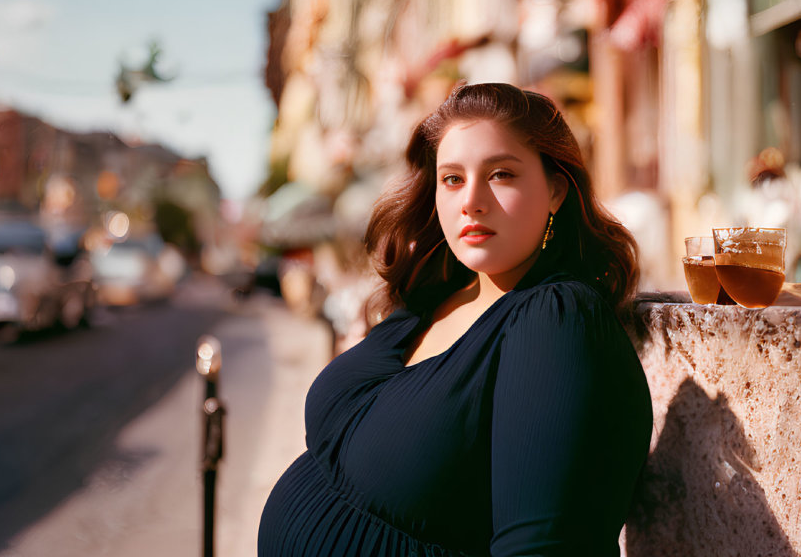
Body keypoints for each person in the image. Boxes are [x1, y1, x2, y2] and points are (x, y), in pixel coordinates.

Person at [258, 83, 653, 556]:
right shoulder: (433, 297)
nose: (471, 200)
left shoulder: (555, 320)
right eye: (452, 179)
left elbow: (543, 546)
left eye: (501, 174)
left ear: (555, 190)